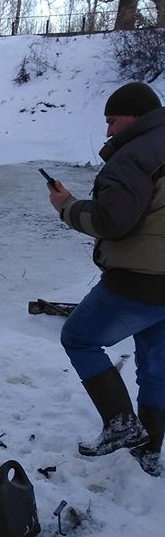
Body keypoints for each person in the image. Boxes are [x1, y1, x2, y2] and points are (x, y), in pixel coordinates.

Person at [46, 81, 165, 477]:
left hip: (140, 279)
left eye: (112, 121)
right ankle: (148, 451)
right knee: (155, 366)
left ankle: (120, 424)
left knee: (78, 338)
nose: (108, 131)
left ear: (134, 116)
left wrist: (66, 207)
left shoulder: (133, 156)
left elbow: (111, 221)